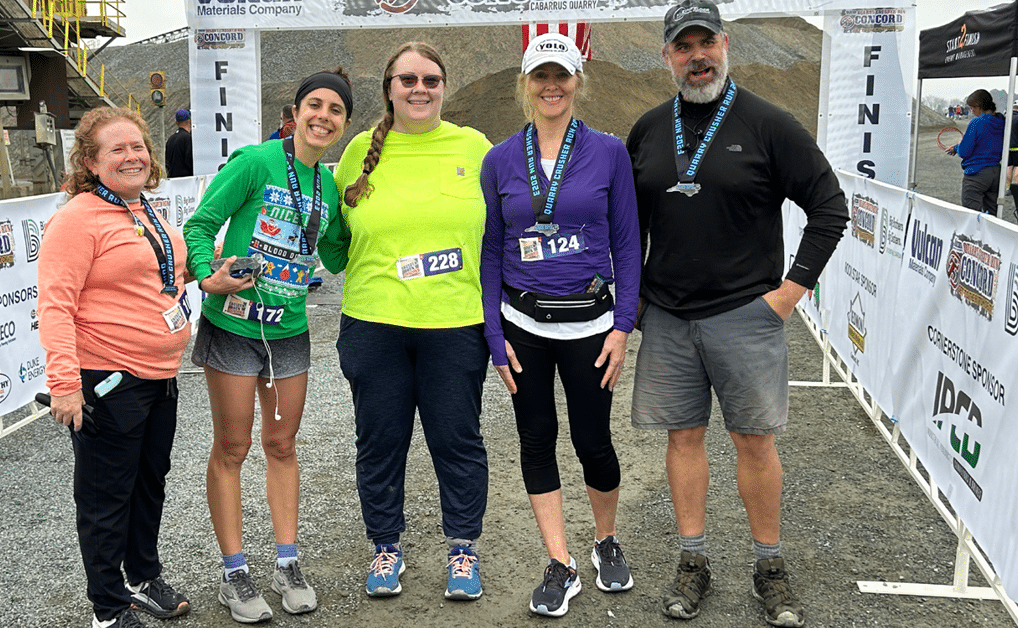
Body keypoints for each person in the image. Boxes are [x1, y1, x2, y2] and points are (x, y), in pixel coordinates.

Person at [626, 1, 848, 626]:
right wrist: (635, 296)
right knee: (683, 437)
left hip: (745, 315)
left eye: (706, 43)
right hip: (667, 318)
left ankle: (769, 567)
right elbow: (631, 223)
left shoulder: (769, 123)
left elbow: (829, 209)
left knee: (753, 441)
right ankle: (693, 560)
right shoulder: (646, 128)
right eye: (683, 46)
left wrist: (787, 295)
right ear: (666, 55)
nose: (697, 57)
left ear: (725, 44)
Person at [183, 69, 353, 624]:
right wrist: (208, 275)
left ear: (345, 123)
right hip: (234, 326)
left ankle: (287, 562)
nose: (323, 116)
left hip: (289, 329)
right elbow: (202, 223)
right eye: (315, 105)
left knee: (282, 445)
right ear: (296, 110)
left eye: (335, 110)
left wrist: (370, 218)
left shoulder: (327, 186)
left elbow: (339, 254)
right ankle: (234, 570)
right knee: (232, 448)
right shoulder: (256, 162)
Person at [479, 33, 640, 618]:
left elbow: (627, 241)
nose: (551, 86)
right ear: (525, 83)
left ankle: (604, 541)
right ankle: (560, 561)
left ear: (578, 81)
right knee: (535, 438)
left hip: (592, 325)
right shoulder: (499, 159)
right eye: (540, 76)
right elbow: (492, 250)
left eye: (562, 75)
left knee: (594, 440)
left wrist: (623, 327)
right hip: (522, 325)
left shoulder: (609, 152)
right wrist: (495, 339)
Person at [333, 41, 493, 603]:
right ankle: (385, 548)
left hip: (454, 323)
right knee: (380, 442)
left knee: (457, 439)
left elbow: (501, 232)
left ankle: (463, 550)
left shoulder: (475, 149)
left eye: (430, 78)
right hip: (375, 323)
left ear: (444, 86)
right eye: (407, 79)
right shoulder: (357, 152)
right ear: (389, 89)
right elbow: (333, 237)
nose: (419, 88)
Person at [38, 106, 193, 628]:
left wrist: (206, 274)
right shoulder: (77, 219)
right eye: (117, 150)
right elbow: (55, 306)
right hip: (107, 380)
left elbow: (157, 275)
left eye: (138, 147)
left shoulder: (142, 206)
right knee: (107, 497)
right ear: (90, 161)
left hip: (160, 377)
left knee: (150, 483)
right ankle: (108, 605)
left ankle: (143, 575)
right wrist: (64, 386)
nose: (133, 157)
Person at [945, 89, 1005, 216]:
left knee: (971, 214)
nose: (971, 111)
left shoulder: (976, 123)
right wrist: (956, 147)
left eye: (972, 108)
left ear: (979, 106)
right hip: (996, 172)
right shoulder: (1002, 121)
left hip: (977, 173)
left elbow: (965, 151)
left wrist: (959, 146)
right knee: (993, 214)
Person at [164, 109, 193, 178]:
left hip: (173, 180)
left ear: (176, 123)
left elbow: (167, 162)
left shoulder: (171, 139)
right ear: (190, 122)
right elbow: (189, 160)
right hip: (186, 180)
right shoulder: (188, 138)